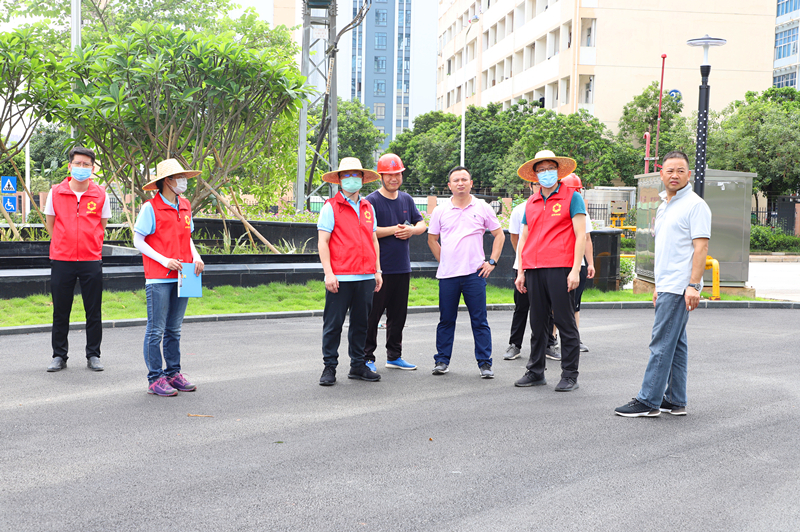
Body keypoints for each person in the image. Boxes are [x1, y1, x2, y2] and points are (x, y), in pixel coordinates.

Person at [615, 151, 711, 417]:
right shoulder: (663, 205)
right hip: (667, 284)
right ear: (662, 174)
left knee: (661, 344)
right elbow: (667, 249)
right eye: (670, 171)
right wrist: (658, 284)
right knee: (675, 344)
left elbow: (701, 248)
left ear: (689, 175)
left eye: (680, 171)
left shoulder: (695, 205)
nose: (674, 175)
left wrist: (694, 286)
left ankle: (648, 401)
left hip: (680, 286)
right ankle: (675, 399)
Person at [513, 150, 586, 392]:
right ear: (535, 175)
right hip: (534, 268)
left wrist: (575, 270)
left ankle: (570, 375)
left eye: (550, 169)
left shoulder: (572, 197)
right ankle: (535, 371)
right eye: (541, 170)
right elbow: (524, 238)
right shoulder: (531, 202)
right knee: (537, 322)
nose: (546, 173)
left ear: (558, 171)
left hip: (560, 267)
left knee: (565, 322)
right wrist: (521, 271)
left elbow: (580, 236)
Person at [133, 159, 204, 397]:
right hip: (159, 277)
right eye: (178, 177)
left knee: (174, 329)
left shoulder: (185, 205)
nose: (183, 181)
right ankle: (155, 378)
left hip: (185, 274)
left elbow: (187, 238)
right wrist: (164, 261)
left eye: (183, 177)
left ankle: (173, 373)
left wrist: (196, 257)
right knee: (156, 330)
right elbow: (138, 240)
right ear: (166, 181)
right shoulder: (150, 208)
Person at [427, 166, 505, 378]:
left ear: (471, 183)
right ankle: (442, 361)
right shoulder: (440, 210)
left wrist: (492, 261)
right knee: (446, 320)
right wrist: (445, 261)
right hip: (448, 276)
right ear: (449, 185)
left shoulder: (483, 207)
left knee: (479, 321)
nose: (460, 183)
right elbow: (432, 239)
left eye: (464, 179)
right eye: (456, 180)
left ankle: (485, 363)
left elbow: (499, 235)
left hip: (475, 274)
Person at [317, 157, 383, 386]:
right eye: (346, 175)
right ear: (339, 179)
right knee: (333, 324)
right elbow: (323, 242)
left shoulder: (368, 207)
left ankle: (358, 365)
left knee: (361, 324)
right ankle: (329, 367)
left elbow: (373, 240)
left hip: (366, 275)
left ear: (363, 179)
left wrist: (377, 270)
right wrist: (328, 273)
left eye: (356, 174)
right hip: (340, 276)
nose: (351, 179)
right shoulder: (330, 207)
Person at [45, 146, 111, 372]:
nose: (81, 167)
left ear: (92, 168)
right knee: (60, 310)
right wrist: (63, 243)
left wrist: (88, 243)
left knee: (93, 310)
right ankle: (59, 356)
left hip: (90, 259)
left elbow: (101, 225)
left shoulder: (101, 194)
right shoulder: (56, 192)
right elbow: (51, 223)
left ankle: (93, 355)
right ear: (69, 165)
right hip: (62, 259)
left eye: (86, 164)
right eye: (78, 163)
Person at [364, 153, 427, 371]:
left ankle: (394, 356)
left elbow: (421, 224)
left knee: (398, 316)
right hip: (379, 269)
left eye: (397, 174)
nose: (394, 178)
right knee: (372, 316)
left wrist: (412, 230)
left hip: (402, 267)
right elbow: (368, 231)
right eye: (389, 175)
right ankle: (367, 358)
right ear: (381, 176)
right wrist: (395, 229)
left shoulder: (406, 199)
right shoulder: (371, 201)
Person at [560, 174, 596, 353]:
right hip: (559, 263)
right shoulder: (557, 209)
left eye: (577, 191)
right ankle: (552, 339)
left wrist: (590, 263)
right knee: (557, 305)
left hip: (577, 264)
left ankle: (574, 338)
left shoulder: (581, 211)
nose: (576, 194)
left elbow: (586, 239)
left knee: (575, 305)